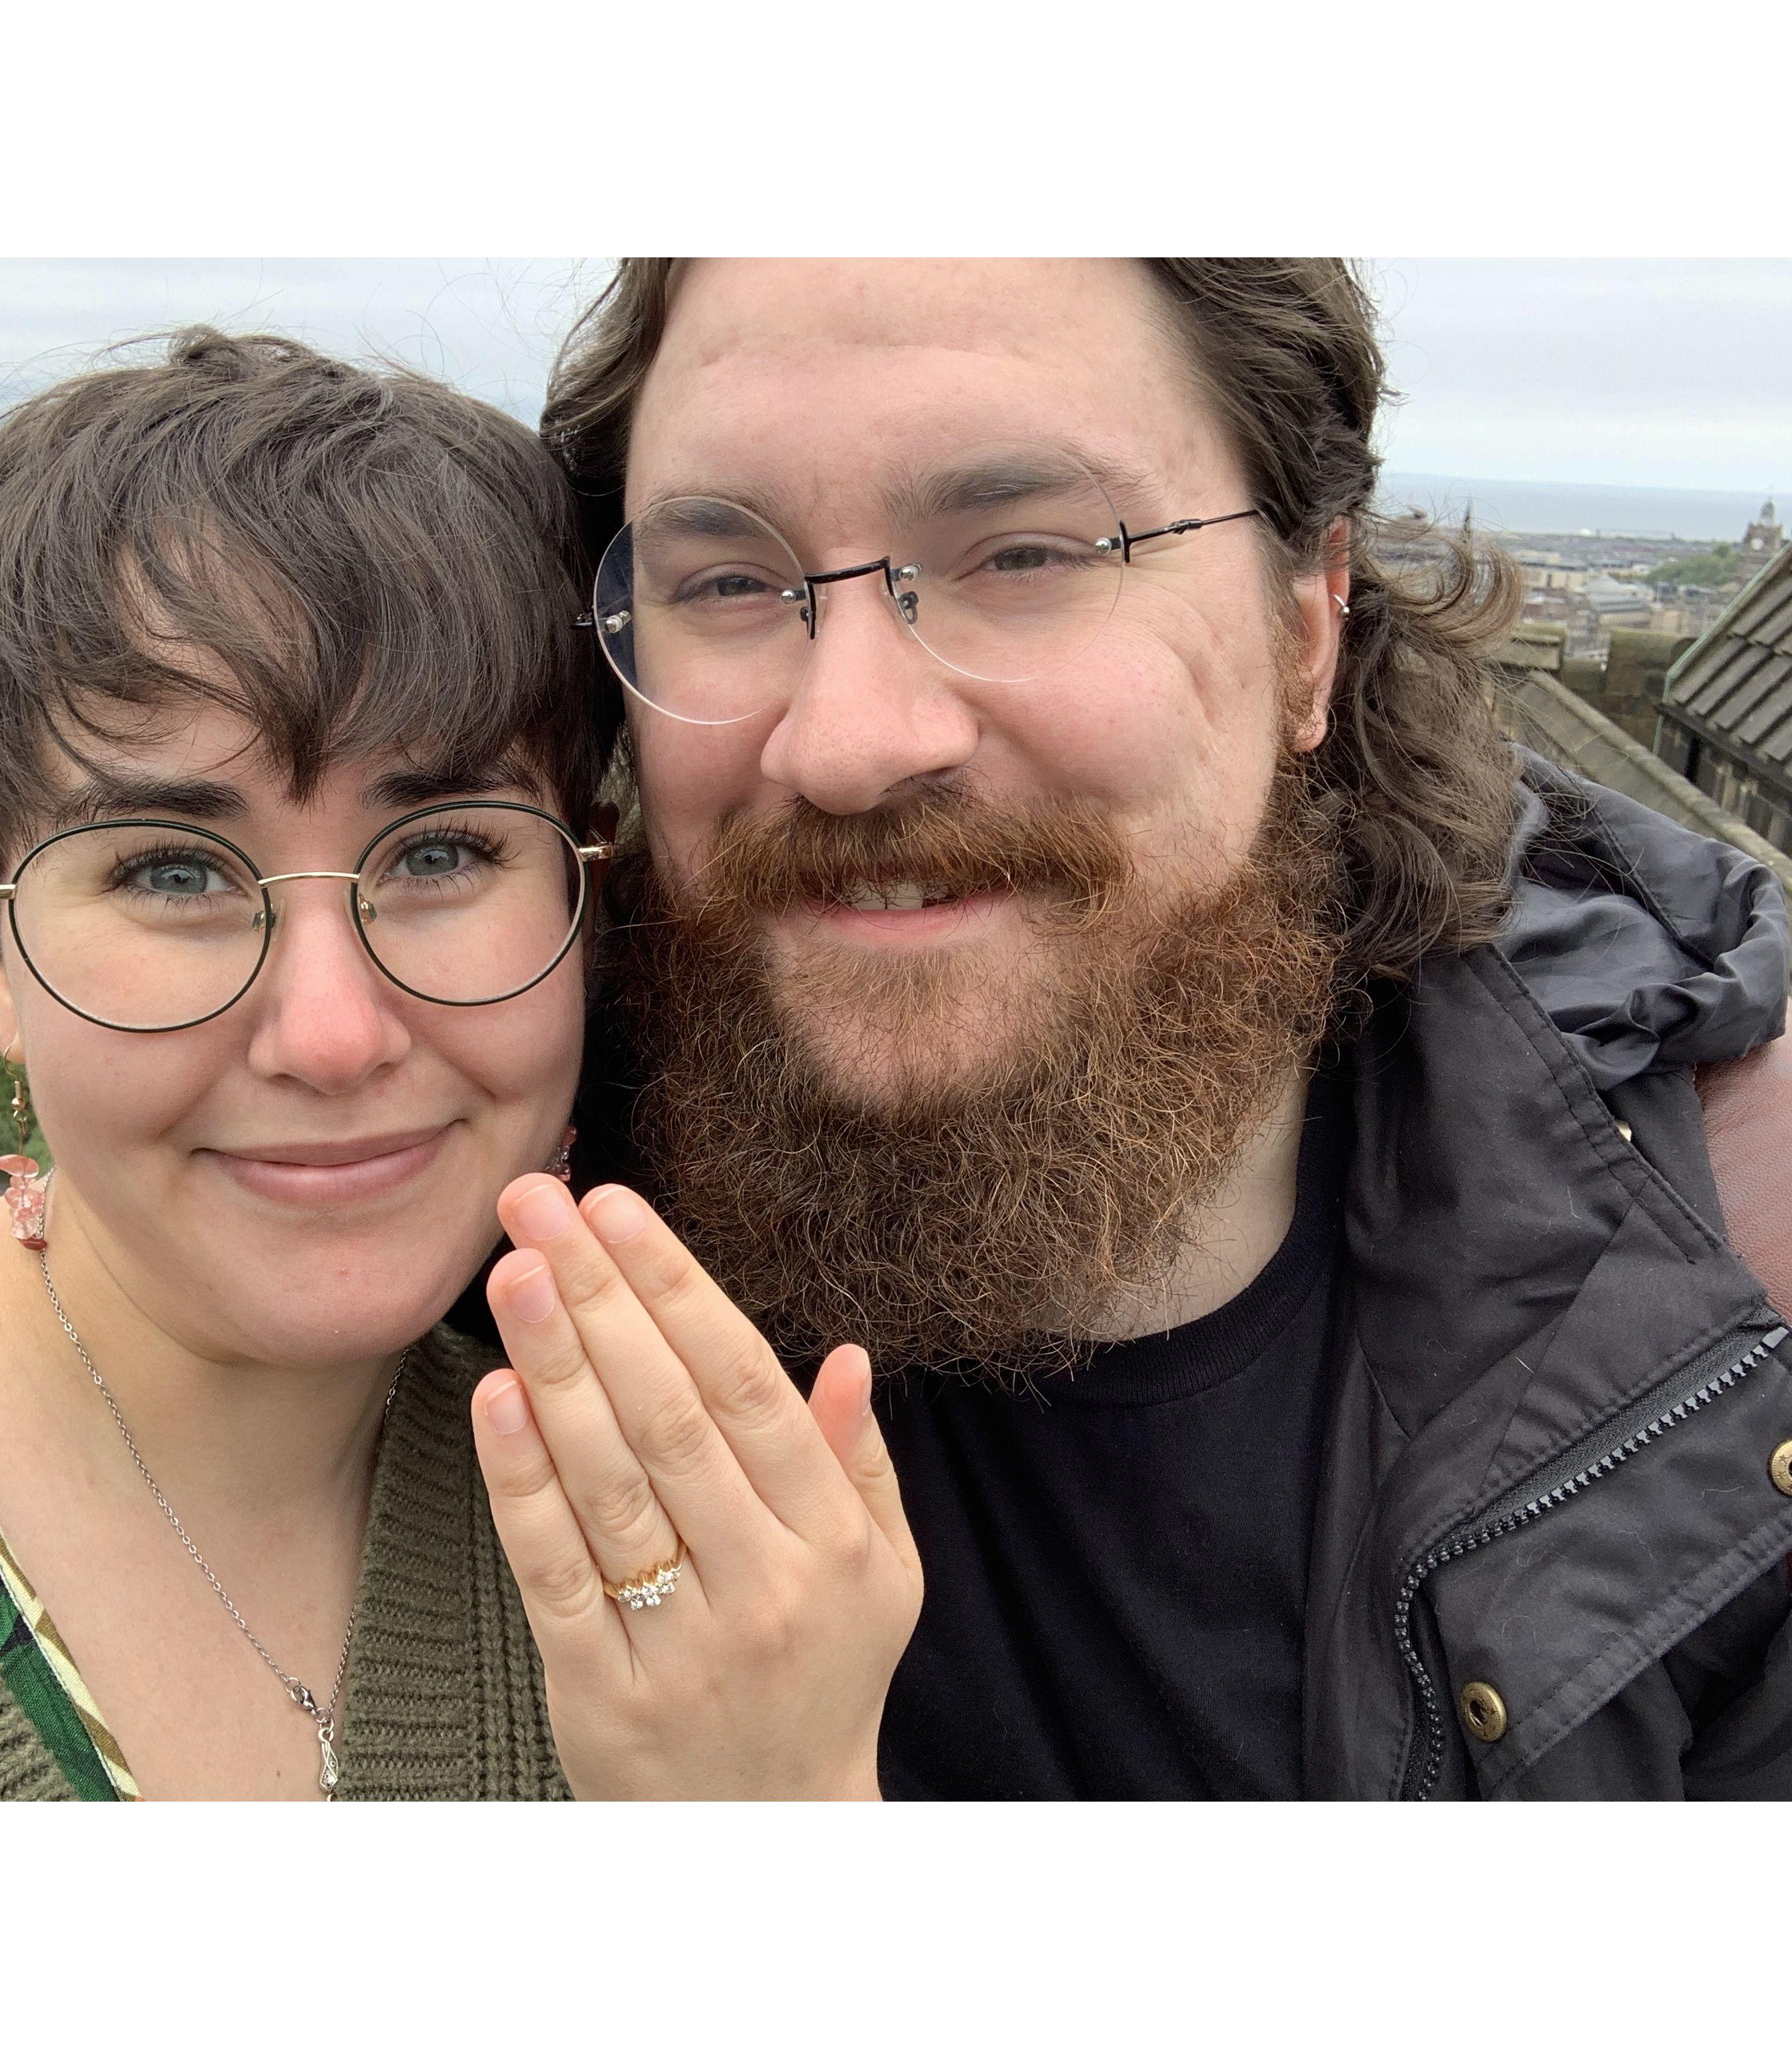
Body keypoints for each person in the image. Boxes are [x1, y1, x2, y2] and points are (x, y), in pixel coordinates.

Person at [533, 259, 1792, 1800]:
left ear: (1306, 628)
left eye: (1022, 552)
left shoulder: (1724, 1323)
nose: (849, 741)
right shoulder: (454, 1157)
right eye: (725, 582)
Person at [0, 327, 917, 1800]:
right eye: (173, 871)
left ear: (583, 894)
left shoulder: (692, 1589)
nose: (333, 1032)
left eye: (439, 851)